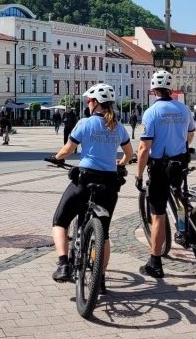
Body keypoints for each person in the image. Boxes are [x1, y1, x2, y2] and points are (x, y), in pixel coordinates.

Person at [48, 84, 133, 294]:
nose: (87, 104)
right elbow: (129, 154)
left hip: (84, 181)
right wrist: (120, 164)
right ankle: (100, 278)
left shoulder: (84, 123)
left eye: (89, 101)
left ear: (94, 103)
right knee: (103, 234)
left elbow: (69, 149)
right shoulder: (119, 127)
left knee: (60, 221)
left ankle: (63, 264)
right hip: (109, 185)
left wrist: (56, 158)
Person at [136, 70, 195, 279]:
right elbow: (190, 133)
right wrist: (181, 145)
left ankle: (155, 262)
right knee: (179, 197)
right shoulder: (184, 109)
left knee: (158, 214)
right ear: (170, 88)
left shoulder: (151, 112)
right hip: (179, 164)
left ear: (153, 90)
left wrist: (139, 175)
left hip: (160, 167)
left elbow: (144, 147)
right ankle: (183, 230)